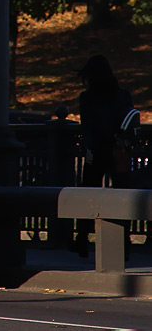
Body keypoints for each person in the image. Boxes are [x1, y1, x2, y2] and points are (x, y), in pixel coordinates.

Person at [73, 55, 136, 256]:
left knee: (87, 194)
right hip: (119, 150)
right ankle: (124, 243)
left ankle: (82, 239)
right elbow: (128, 121)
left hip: (98, 150)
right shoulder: (123, 94)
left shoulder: (87, 98)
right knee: (122, 196)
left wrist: (89, 148)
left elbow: (87, 127)